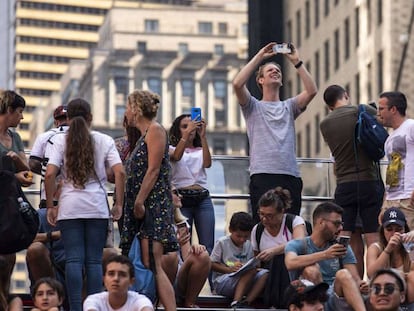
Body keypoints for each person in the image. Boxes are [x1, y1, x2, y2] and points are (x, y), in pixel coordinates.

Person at [44, 98, 126, 311]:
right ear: (90, 118)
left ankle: (75, 308)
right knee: (93, 262)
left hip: (70, 207)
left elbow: (50, 173)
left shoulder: (61, 141)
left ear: (68, 118)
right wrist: (119, 203)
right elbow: (120, 172)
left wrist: (52, 204)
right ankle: (93, 307)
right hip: (97, 207)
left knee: (73, 260)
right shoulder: (104, 140)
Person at [232, 42, 318, 221]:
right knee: (262, 226)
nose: (275, 71)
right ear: (260, 80)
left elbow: (311, 91)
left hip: (289, 174)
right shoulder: (253, 106)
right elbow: (237, 84)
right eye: (270, 70)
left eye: (278, 70)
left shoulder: (289, 106)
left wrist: (297, 62)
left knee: (290, 225)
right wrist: (260, 57)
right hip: (262, 174)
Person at [120, 89, 178, 311]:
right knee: (147, 261)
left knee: (155, 262)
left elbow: (153, 170)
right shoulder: (143, 136)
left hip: (152, 206)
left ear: (135, 109)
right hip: (143, 208)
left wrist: (139, 201)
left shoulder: (155, 130)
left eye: (128, 106)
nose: (126, 112)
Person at [320, 85, 383, 278]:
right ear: (346, 95)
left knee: (347, 235)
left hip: (344, 185)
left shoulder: (325, 124)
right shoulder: (362, 110)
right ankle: (375, 284)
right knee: (373, 234)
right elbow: (381, 123)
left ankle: (354, 284)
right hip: (368, 182)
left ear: (329, 106)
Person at [285, 202, 369, 311]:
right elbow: (290, 263)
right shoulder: (298, 244)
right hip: (309, 298)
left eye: (341, 223)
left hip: (335, 295)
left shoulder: (340, 246)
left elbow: (354, 277)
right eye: (336, 224)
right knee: (311, 270)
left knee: (343, 274)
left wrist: (361, 285)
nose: (341, 228)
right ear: (321, 222)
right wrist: (325, 254)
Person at [0, 89, 31, 311]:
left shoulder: (16, 138)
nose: (21, 117)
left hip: (9, 207)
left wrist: (18, 163)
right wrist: (13, 175)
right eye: (19, 112)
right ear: (8, 110)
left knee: (8, 259)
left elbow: (28, 176)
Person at [251, 187, 306, 308]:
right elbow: (256, 260)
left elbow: (300, 242)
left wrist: (275, 251)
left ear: (282, 211)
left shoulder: (294, 221)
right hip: (269, 275)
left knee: (280, 259)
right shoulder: (258, 230)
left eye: (270, 216)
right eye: (261, 214)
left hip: (294, 269)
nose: (265, 219)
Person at [168, 114, 214, 254]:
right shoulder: (170, 148)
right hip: (181, 199)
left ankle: (207, 276)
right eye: (185, 126)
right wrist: (187, 134)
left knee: (207, 245)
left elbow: (207, 163)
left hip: (202, 198)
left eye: (193, 126)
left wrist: (203, 136)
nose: (190, 129)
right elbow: (176, 156)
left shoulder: (200, 149)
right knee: (183, 243)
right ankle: (185, 275)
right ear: (178, 130)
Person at [162, 189, 211, 308]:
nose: (180, 195)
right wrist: (173, 244)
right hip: (161, 273)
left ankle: (189, 303)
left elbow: (187, 257)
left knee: (203, 255)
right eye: (175, 193)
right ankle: (163, 301)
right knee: (169, 257)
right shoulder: (156, 223)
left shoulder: (181, 224)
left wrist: (195, 248)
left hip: (179, 275)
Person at [210, 211, 268, 308]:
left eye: (245, 236)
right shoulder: (222, 242)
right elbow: (211, 264)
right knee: (250, 272)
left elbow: (254, 264)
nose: (242, 240)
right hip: (224, 281)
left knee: (265, 274)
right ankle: (235, 302)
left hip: (244, 279)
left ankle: (246, 302)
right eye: (239, 236)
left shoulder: (250, 244)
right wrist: (229, 269)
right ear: (230, 230)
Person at [377, 91, 414, 229]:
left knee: (409, 246)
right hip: (392, 199)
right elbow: (391, 170)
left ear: (393, 110)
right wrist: (384, 204)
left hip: (408, 198)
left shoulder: (410, 126)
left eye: (381, 108)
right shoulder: (389, 139)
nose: (378, 113)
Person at [367, 207, 414, 305]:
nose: (394, 233)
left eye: (399, 229)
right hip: (382, 295)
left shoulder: (410, 246)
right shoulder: (375, 248)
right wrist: (388, 250)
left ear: (405, 229)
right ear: (382, 231)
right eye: (389, 229)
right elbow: (371, 274)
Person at [29, 105, 69, 209]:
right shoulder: (83, 136)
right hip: (75, 197)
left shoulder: (44, 136)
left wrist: (52, 171)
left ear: (55, 121)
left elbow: (33, 164)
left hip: (48, 196)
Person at [83, 255, 153, 311]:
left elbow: (146, 307)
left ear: (131, 281)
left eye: (122, 275)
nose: (116, 279)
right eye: (111, 274)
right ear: (104, 279)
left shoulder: (140, 300)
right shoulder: (94, 300)